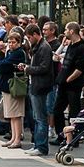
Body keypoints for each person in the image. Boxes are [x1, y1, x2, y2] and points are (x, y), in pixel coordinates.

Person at [52, 22, 84, 143]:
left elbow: (80, 68)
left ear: (72, 31)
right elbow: (59, 59)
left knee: (74, 111)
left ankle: (73, 138)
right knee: (57, 109)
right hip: (63, 83)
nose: (65, 32)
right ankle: (61, 135)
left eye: (67, 30)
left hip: (73, 85)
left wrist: (69, 79)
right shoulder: (71, 45)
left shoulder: (82, 47)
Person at [21, 24, 53, 156]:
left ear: (35, 34)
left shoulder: (44, 47)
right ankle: (38, 144)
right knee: (37, 117)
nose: (29, 40)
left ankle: (41, 146)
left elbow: (44, 67)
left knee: (40, 118)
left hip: (40, 86)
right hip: (36, 84)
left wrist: (28, 69)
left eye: (29, 37)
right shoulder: (38, 46)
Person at [0, 32, 27, 149]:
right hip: (7, 85)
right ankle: (13, 137)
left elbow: (3, 65)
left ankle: (17, 139)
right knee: (11, 114)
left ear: (19, 42)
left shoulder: (19, 53)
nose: (11, 44)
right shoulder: (10, 52)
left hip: (14, 86)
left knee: (16, 114)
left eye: (13, 42)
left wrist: (2, 64)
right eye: (9, 42)